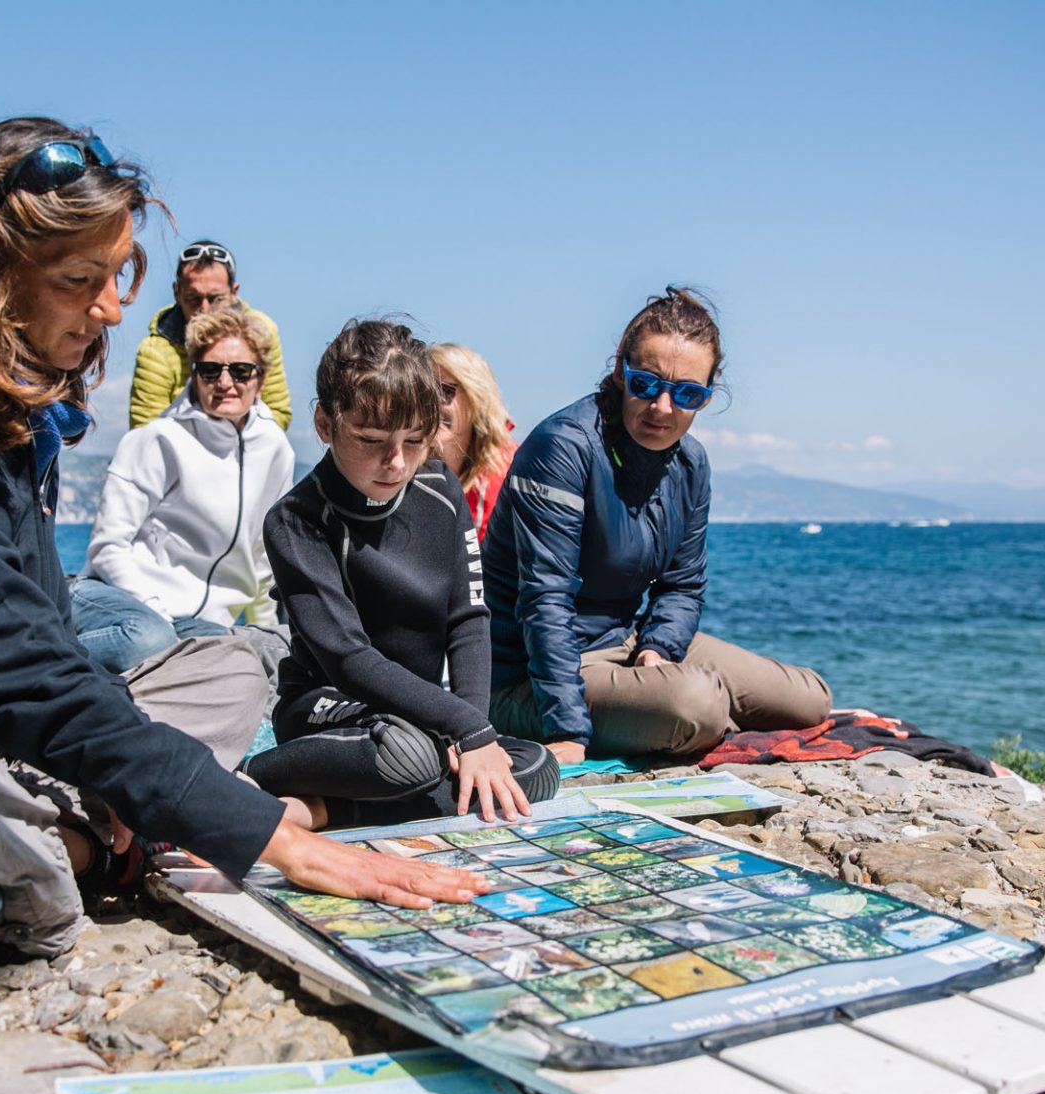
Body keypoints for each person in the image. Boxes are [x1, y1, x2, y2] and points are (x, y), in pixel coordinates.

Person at [0, 119, 483, 984]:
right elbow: (24, 679)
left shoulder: (20, 426)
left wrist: (124, 765)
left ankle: (25, 848)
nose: (111, 308)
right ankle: (85, 854)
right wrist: (261, 834)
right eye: (81, 280)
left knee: (227, 672)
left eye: (115, 277)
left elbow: (48, 649)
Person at [482, 287, 831, 764]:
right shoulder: (562, 448)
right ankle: (680, 712)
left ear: (707, 396)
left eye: (687, 393)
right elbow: (543, 598)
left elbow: (682, 584)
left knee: (809, 700)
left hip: (623, 643)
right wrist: (566, 729)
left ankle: (671, 703)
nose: (663, 407)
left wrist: (659, 647)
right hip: (526, 673)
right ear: (621, 372)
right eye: (647, 384)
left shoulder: (690, 464)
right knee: (696, 706)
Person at [245, 319, 558, 827]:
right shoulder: (295, 520)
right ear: (326, 424)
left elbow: (469, 620)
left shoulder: (440, 491)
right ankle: (255, 778)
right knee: (414, 756)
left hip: (420, 716)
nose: (395, 462)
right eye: (371, 439)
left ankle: (323, 810)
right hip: (327, 708)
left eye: (414, 441)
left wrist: (473, 731)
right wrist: (462, 728)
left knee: (537, 769)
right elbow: (347, 658)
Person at [73, 306, 292, 675]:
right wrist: (156, 612)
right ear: (195, 374)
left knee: (239, 655)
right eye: (210, 370)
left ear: (260, 378)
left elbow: (262, 555)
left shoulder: (275, 451)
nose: (225, 382)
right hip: (113, 598)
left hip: (193, 621)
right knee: (147, 639)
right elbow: (108, 546)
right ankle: (32, 657)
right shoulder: (157, 440)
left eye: (240, 371)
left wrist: (265, 630)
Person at [128, 240, 292, 429]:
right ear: (177, 293)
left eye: (215, 299)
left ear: (234, 292)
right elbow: (146, 433)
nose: (204, 310)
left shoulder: (263, 332)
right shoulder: (155, 351)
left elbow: (278, 413)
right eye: (193, 299)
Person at [430, 343, 518, 541]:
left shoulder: (509, 473)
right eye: (422, 392)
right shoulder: (403, 468)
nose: (431, 404)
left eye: (444, 391)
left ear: (476, 398)